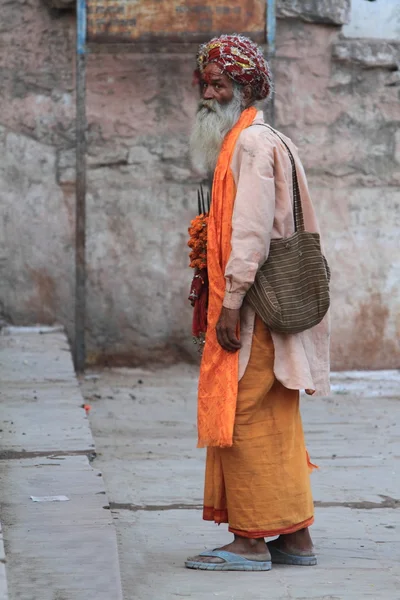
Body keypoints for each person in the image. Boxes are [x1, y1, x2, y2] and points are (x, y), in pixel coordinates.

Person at [185, 35, 330, 571]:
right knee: (275, 417)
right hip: (264, 308)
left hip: (254, 313)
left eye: (219, 83)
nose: (207, 92)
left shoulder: (250, 145)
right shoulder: (260, 139)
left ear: (244, 90)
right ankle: (295, 540)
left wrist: (230, 304)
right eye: (205, 82)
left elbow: (250, 235)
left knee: (243, 415)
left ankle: (249, 541)